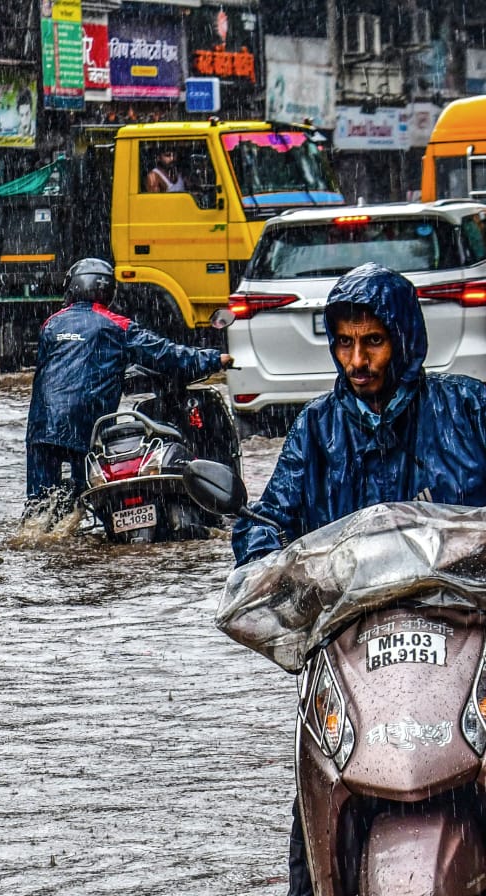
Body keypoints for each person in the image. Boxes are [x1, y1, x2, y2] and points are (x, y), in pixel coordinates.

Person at [231, 262, 486, 896]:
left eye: (372, 341)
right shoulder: (317, 429)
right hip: (351, 652)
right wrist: (261, 560)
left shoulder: (467, 410)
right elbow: (269, 517)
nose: (357, 360)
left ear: (404, 338)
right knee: (315, 809)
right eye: (344, 343)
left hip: (461, 641)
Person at [25, 257, 230, 517]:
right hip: (85, 423)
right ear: (108, 291)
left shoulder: (50, 324)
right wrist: (214, 359)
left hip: (42, 425)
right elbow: (165, 354)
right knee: (88, 496)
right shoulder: (117, 325)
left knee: (38, 506)